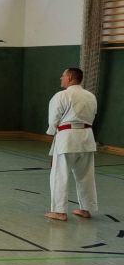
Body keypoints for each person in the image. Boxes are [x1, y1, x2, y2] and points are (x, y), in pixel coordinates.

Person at [44, 68, 98, 221]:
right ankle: (86, 209)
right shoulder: (91, 96)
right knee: (86, 175)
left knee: (59, 175)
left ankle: (59, 211)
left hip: (67, 138)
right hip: (87, 138)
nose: (61, 78)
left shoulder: (61, 95)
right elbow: (93, 115)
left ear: (69, 77)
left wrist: (51, 132)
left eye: (63, 75)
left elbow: (53, 119)